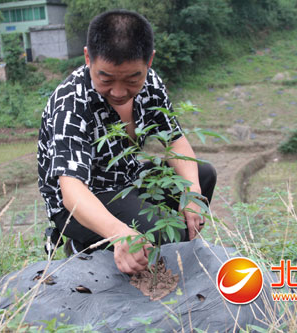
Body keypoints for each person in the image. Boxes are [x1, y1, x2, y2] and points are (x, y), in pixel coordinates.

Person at [38, 9, 216, 275]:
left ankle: (142, 246)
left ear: (149, 61)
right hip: (81, 201)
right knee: (163, 237)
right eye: (106, 79)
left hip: (126, 181)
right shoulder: (72, 103)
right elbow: (72, 191)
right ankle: (86, 244)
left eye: (133, 79)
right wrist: (119, 233)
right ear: (88, 57)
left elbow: (175, 141)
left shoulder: (151, 84)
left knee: (202, 175)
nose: (119, 92)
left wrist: (191, 196)